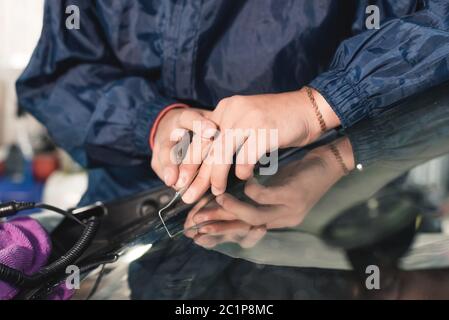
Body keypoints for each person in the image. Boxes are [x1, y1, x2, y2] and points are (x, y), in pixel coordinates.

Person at [16, 0, 449, 206]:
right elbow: (59, 75)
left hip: (327, 203)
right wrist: (153, 122)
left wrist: (319, 105)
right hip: (138, 208)